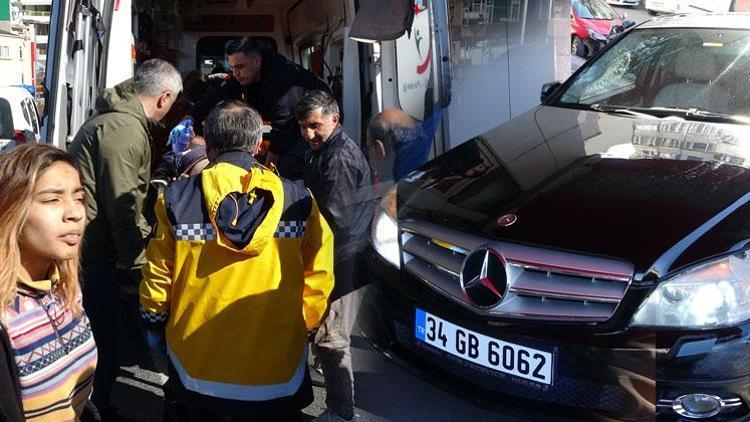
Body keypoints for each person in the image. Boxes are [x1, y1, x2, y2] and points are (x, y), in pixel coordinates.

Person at [140, 100, 335, 421]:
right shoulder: (298, 199)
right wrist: (306, 322)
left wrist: (153, 321)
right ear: (259, 145)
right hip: (277, 371)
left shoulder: (175, 199)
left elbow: (158, 273)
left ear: (209, 144)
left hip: (196, 367)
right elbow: (321, 270)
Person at [68, 58, 182, 417]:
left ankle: (95, 404)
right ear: (164, 98)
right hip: (93, 250)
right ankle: (93, 408)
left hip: (93, 244)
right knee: (108, 341)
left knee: (104, 337)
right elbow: (122, 205)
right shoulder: (125, 130)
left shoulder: (119, 122)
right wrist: (139, 264)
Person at [0, 144, 98, 421]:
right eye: (52, 200)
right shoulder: (5, 318)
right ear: (10, 209)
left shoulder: (65, 287)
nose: (75, 213)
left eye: (78, 198)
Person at [296, 91, 376, 422]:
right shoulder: (326, 149)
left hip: (345, 259)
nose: (308, 134)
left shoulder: (339, 159)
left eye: (315, 126)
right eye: (303, 127)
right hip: (341, 254)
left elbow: (334, 220)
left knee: (332, 338)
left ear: (334, 119)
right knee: (325, 333)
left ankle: (341, 412)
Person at [180, 36, 331, 180]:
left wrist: (266, 171)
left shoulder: (283, 80)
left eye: (239, 67)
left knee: (286, 167)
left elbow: (283, 129)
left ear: (257, 61)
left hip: (317, 120)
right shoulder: (242, 75)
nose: (235, 73)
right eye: (232, 68)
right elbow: (217, 95)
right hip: (290, 122)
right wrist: (190, 117)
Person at [366, 108, 440, 186]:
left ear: (379, 150)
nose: (367, 154)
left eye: (367, 147)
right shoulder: (421, 137)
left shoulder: (393, 193)